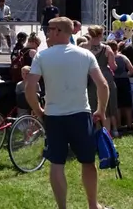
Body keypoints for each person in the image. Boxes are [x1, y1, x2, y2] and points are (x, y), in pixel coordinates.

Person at [25, 17, 111, 209]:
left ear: (58, 31)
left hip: (54, 116)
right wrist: (101, 111)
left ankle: (62, 207)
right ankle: (92, 205)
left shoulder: (42, 56)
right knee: (88, 162)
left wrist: (39, 111)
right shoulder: (85, 54)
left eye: (49, 29)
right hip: (81, 115)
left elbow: (29, 87)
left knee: (57, 164)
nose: (47, 33)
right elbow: (103, 85)